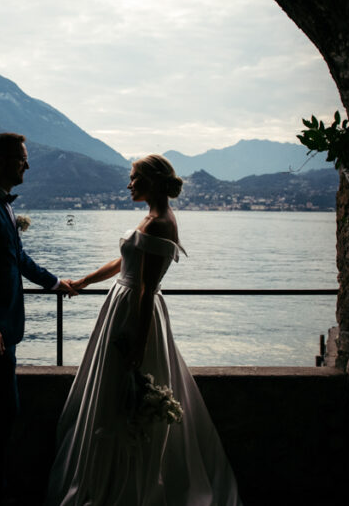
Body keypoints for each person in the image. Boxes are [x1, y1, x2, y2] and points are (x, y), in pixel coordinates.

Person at [44, 154, 244, 505]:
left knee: (125, 397)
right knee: (114, 396)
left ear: (150, 180)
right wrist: (86, 281)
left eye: (134, 177)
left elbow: (146, 290)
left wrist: (137, 344)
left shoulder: (159, 223)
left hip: (135, 312)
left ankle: (123, 485)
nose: (129, 183)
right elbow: (126, 261)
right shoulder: (152, 218)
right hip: (123, 303)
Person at [0, 132, 77, 506]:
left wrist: (56, 282)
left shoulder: (1, 205)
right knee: (5, 415)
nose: (27, 165)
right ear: (2, 160)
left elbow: (18, 260)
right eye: (22, 158)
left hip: (1, 327)